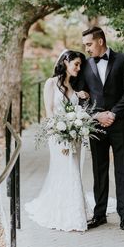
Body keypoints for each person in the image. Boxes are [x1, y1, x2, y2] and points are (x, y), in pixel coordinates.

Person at [25, 50, 91, 232]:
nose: (78, 68)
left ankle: (76, 211)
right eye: (76, 64)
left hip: (75, 136)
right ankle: (64, 212)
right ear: (65, 62)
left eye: (80, 65)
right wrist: (61, 137)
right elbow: (49, 113)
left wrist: (84, 97)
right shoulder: (50, 83)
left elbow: (78, 110)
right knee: (65, 170)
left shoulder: (74, 86)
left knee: (74, 172)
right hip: (58, 136)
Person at [79, 27, 124, 230]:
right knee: (99, 169)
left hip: (121, 123)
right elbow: (81, 96)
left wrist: (113, 113)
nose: (86, 49)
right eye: (85, 45)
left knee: (122, 168)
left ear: (101, 41)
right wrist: (97, 115)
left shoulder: (123, 59)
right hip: (96, 125)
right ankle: (100, 214)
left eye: (89, 44)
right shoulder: (85, 65)